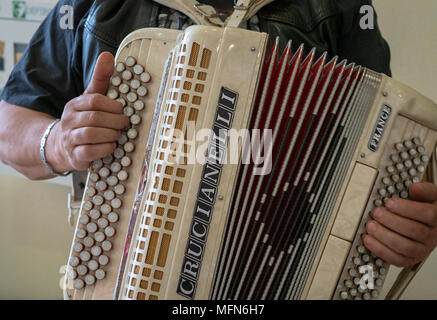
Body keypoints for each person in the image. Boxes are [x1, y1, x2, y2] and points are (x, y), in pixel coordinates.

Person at [0, 0, 436, 271]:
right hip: (119, 271)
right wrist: (57, 141)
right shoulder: (94, 4)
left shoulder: (337, 6)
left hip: (284, 273)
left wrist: (411, 226)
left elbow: (382, 152)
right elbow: (9, 123)